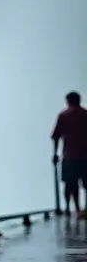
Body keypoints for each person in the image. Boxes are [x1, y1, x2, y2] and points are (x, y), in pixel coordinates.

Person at [52, 91, 87, 220]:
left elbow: (56, 136)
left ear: (68, 101)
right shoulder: (85, 114)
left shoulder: (63, 115)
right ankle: (84, 209)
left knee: (70, 183)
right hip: (85, 156)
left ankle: (72, 208)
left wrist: (55, 154)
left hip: (70, 156)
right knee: (86, 183)